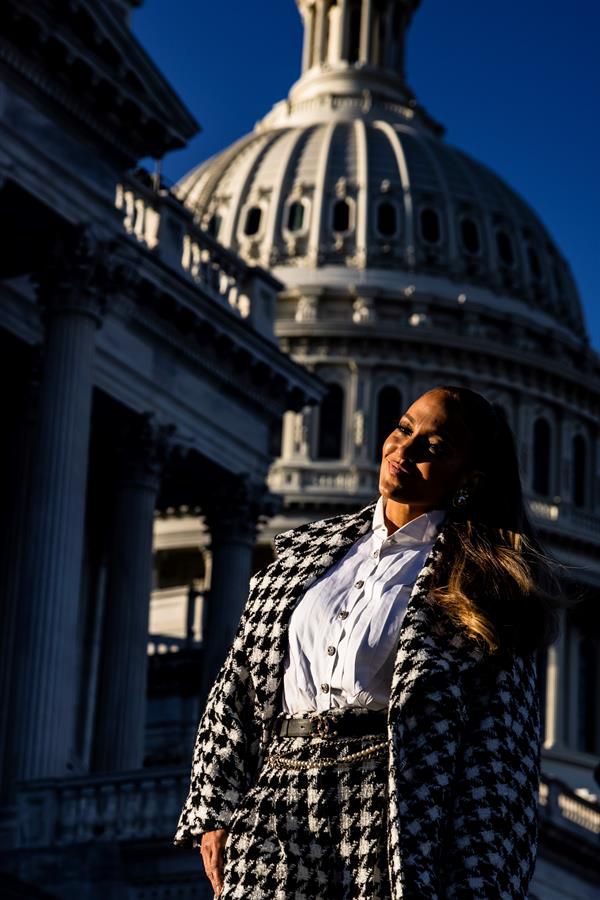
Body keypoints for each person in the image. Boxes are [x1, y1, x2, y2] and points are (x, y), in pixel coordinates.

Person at [174, 385, 559, 899]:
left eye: (435, 447)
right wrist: (215, 809)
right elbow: (240, 685)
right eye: (403, 428)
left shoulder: (485, 587)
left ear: (470, 477)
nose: (405, 448)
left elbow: (498, 765)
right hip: (277, 803)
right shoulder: (307, 553)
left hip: (391, 814)